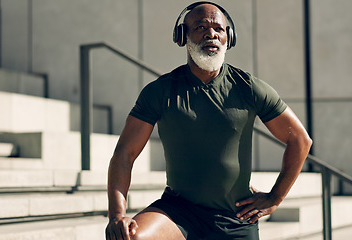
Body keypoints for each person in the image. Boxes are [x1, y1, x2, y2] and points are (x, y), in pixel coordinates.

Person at [105, 2, 312, 240]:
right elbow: (124, 153)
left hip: (236, 218)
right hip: (177, 212)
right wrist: (116, 214)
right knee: (128, 236)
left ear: (228, 38)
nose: (210, 34)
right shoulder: (160, 91)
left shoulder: (249, 88)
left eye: (218, 29)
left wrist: (275, 197)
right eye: (200, 26)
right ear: (183, 36)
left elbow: (300, 139)